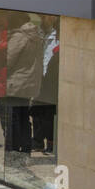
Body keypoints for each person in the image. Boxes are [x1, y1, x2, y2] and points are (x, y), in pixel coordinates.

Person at [3, 13, 45, 166]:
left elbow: (7, 59)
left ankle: (12, 153)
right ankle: (25, 150)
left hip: (16, 83)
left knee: (13, 119)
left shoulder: (20, 37)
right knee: (24, 119)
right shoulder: (37, 37)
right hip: (29, 84)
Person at [31, 15, 60, 155]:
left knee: (48, 113)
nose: (44, 19)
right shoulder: (40, 33)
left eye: (47, 17)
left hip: (50, 79)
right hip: (39, 76)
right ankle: (37, 141)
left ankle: (50, 142)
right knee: (36, 111)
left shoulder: (57, 35)